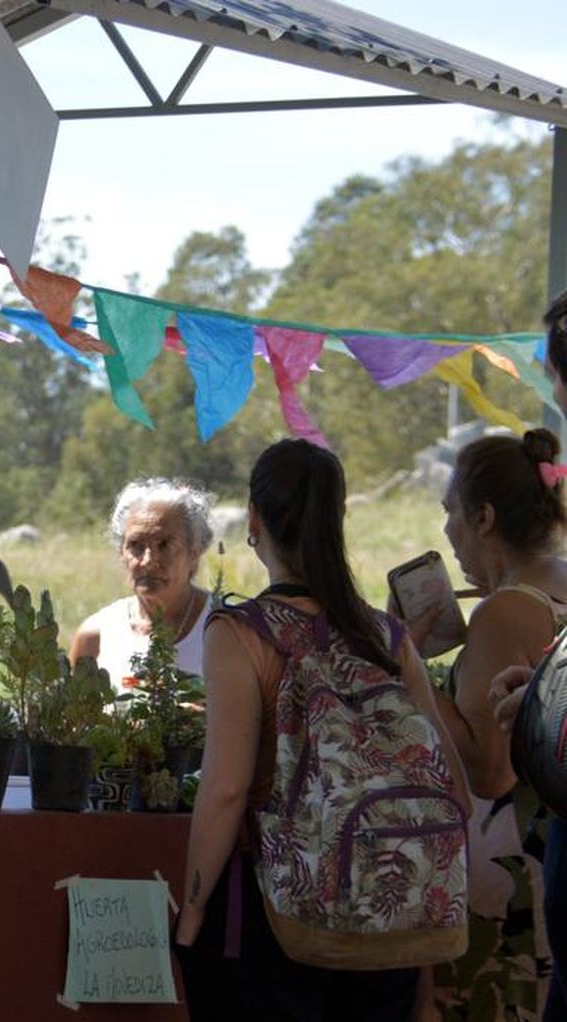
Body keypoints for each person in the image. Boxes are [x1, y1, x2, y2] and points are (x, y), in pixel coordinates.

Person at [174, 439, 469, 1021]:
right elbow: (451, 789)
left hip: (285, 918)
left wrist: (191, 910)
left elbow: (227, 791)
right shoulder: (385, 636)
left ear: (254, 521)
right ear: (337, 522)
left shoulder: (241, 634)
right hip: (392, 929)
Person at [466, 291, 567, 1022]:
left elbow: (489, 770)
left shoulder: (506, 607)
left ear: (483, 518)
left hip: (516, 894)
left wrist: (411, 672)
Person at [69, 478, 215, 692]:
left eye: (164, 545)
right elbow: (72, 722)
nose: (148, 560)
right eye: (136, 546)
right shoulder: (95, 637)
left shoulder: (230, 628)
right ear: (121, 553)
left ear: (194, 552)